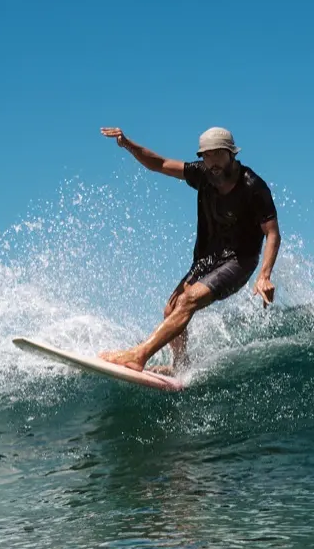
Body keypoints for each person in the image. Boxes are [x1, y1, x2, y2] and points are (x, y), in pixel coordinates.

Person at [98, 125, 279, 374]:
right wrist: (128, 144)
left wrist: (265, 274)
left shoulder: (253, 187)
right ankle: (180, 366)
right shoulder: (202, 174)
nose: (212, 162)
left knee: (188, 300)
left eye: (218, 154)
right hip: (207, 259)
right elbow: (160, 164)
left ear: (231, 154)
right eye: (206, 155)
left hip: (239, 260)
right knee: (170, 309)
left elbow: (272, 233)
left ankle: (139, 355)